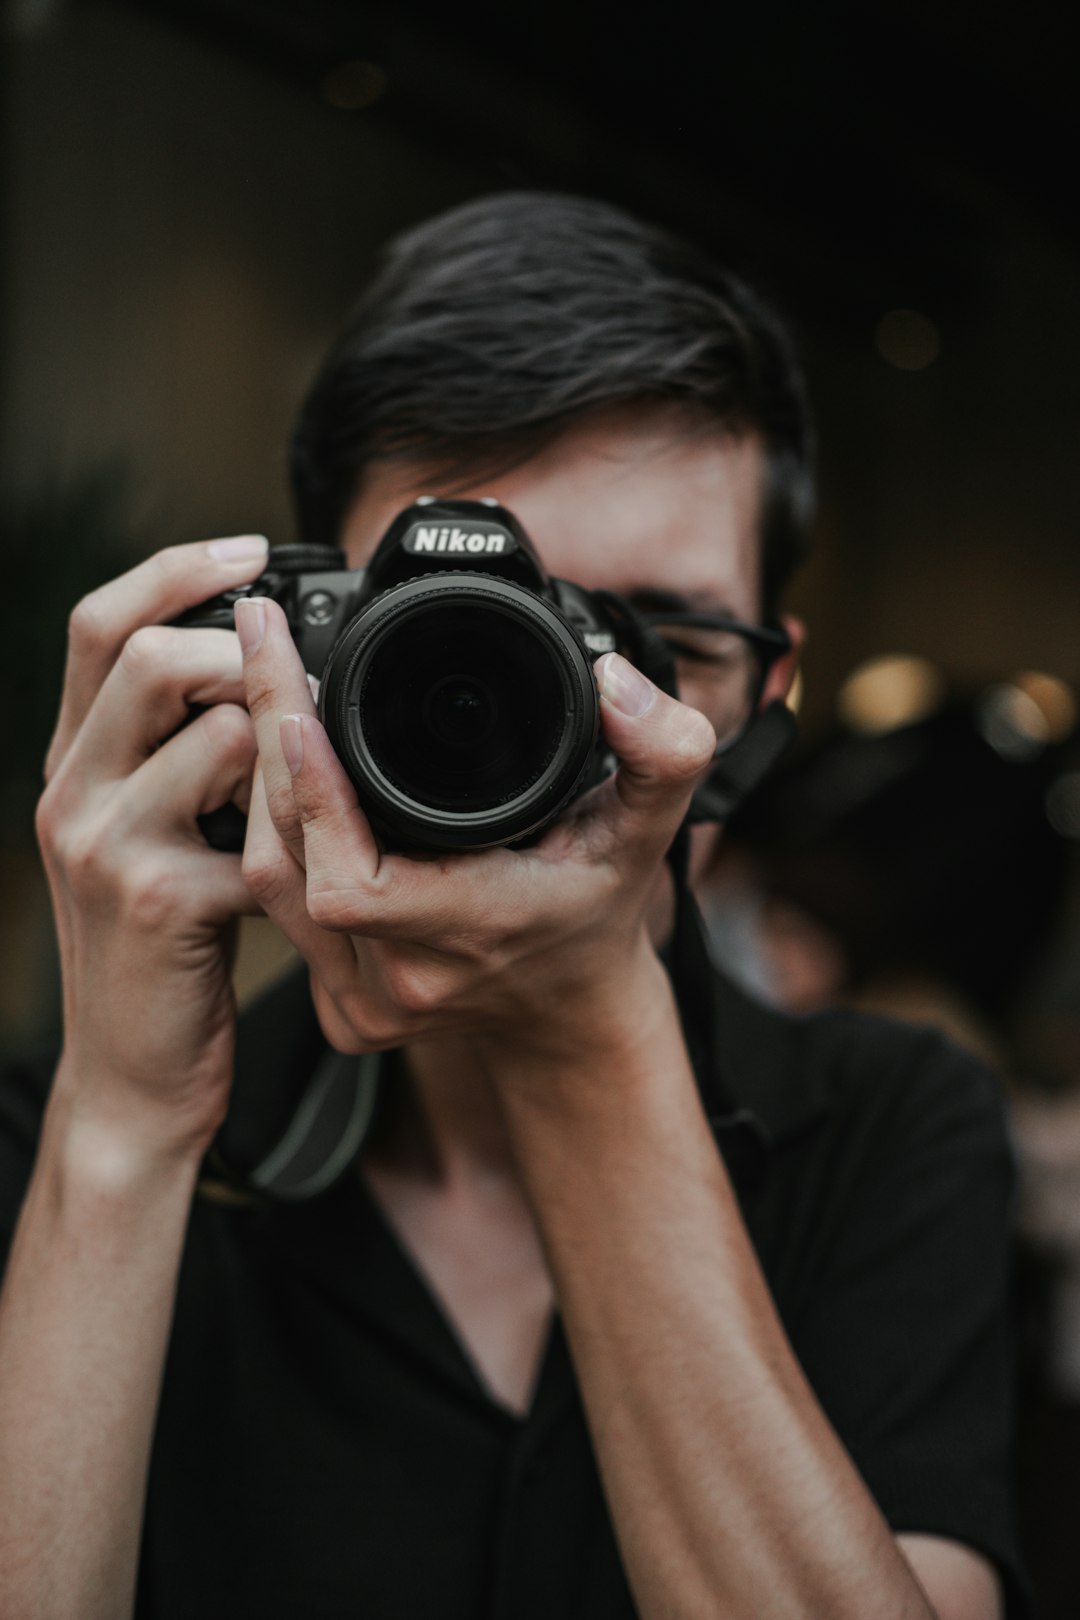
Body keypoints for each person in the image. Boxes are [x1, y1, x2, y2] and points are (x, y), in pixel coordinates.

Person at [0, 194, 1025, 1619]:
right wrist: (118, 1128)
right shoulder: (73, 1131)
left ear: (770, 697)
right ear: (297, 647)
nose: (553, 719)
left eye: (648, 641)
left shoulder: (894, 1125)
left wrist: (583, 1042)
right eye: (457, 636)